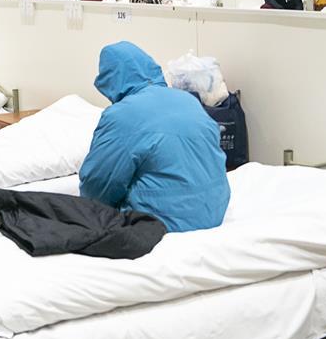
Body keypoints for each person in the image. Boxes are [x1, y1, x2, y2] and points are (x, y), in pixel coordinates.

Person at [79, 41, 230, 234]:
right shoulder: (187, 100)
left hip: (163, 221)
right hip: (215, 211)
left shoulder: (121, 115)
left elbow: (98, 183)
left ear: (110, 80)